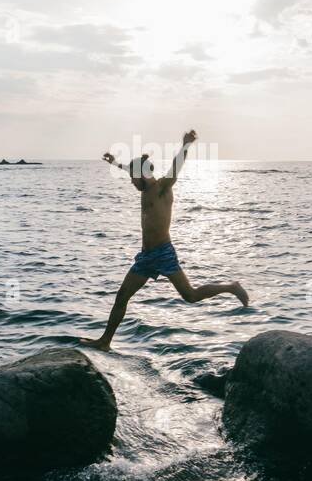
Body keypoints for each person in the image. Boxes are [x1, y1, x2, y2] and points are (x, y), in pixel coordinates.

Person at [79, 129, 248, 351]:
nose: (131, 182)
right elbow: (132, 168)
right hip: (146, 257)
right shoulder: (144, 187)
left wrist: (185, 145)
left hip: (163, 253)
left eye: (133, 178)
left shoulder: (161, 189)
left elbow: (175, 168)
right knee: (121, 297)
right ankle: (105, 341)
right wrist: (115, 164)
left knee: (191, 295)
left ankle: (231, 287)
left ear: (143, 175)